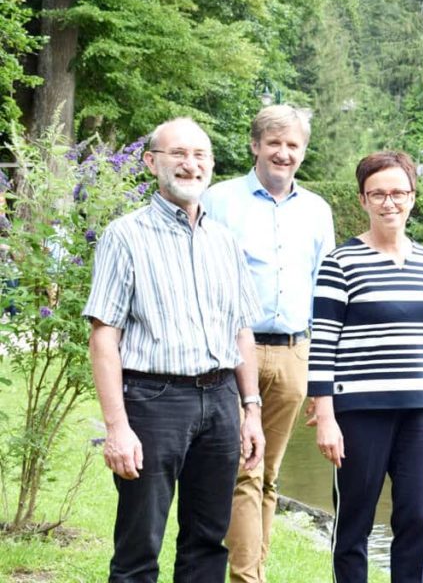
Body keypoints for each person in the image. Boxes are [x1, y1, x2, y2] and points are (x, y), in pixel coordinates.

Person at [83, 118, 266, 582]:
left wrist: (251, 410)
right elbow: (105, 336)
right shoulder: (125, 236)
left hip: (222, 402)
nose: (191, 164)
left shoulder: (224, 241)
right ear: (151, 163)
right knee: (139, 547)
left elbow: (241, 331)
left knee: (207, 542)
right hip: (154, 402)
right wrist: (116, 428)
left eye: (200, 155)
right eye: (178, 154)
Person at [308, 151, 423, 583]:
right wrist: (325, 417)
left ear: (413, 197)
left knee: (416, 519)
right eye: (378, 194)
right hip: (359, 413)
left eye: (398, 193)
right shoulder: (341, 262)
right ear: (362, 200)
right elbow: (323, 344)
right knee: (354, 522)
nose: (389, 202)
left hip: (422, 411)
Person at [202, 104, 335, 583]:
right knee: (245, 468)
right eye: (273, 143)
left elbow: (326, 295)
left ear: (302, 151)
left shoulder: (318, 210)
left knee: (271, 474)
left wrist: (323, 382)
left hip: (296, 353)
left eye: (292, 145)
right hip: (236, 351)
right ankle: (247, 578)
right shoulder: (219, 201)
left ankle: (252, 570)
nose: (283, 153)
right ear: (255, 145)